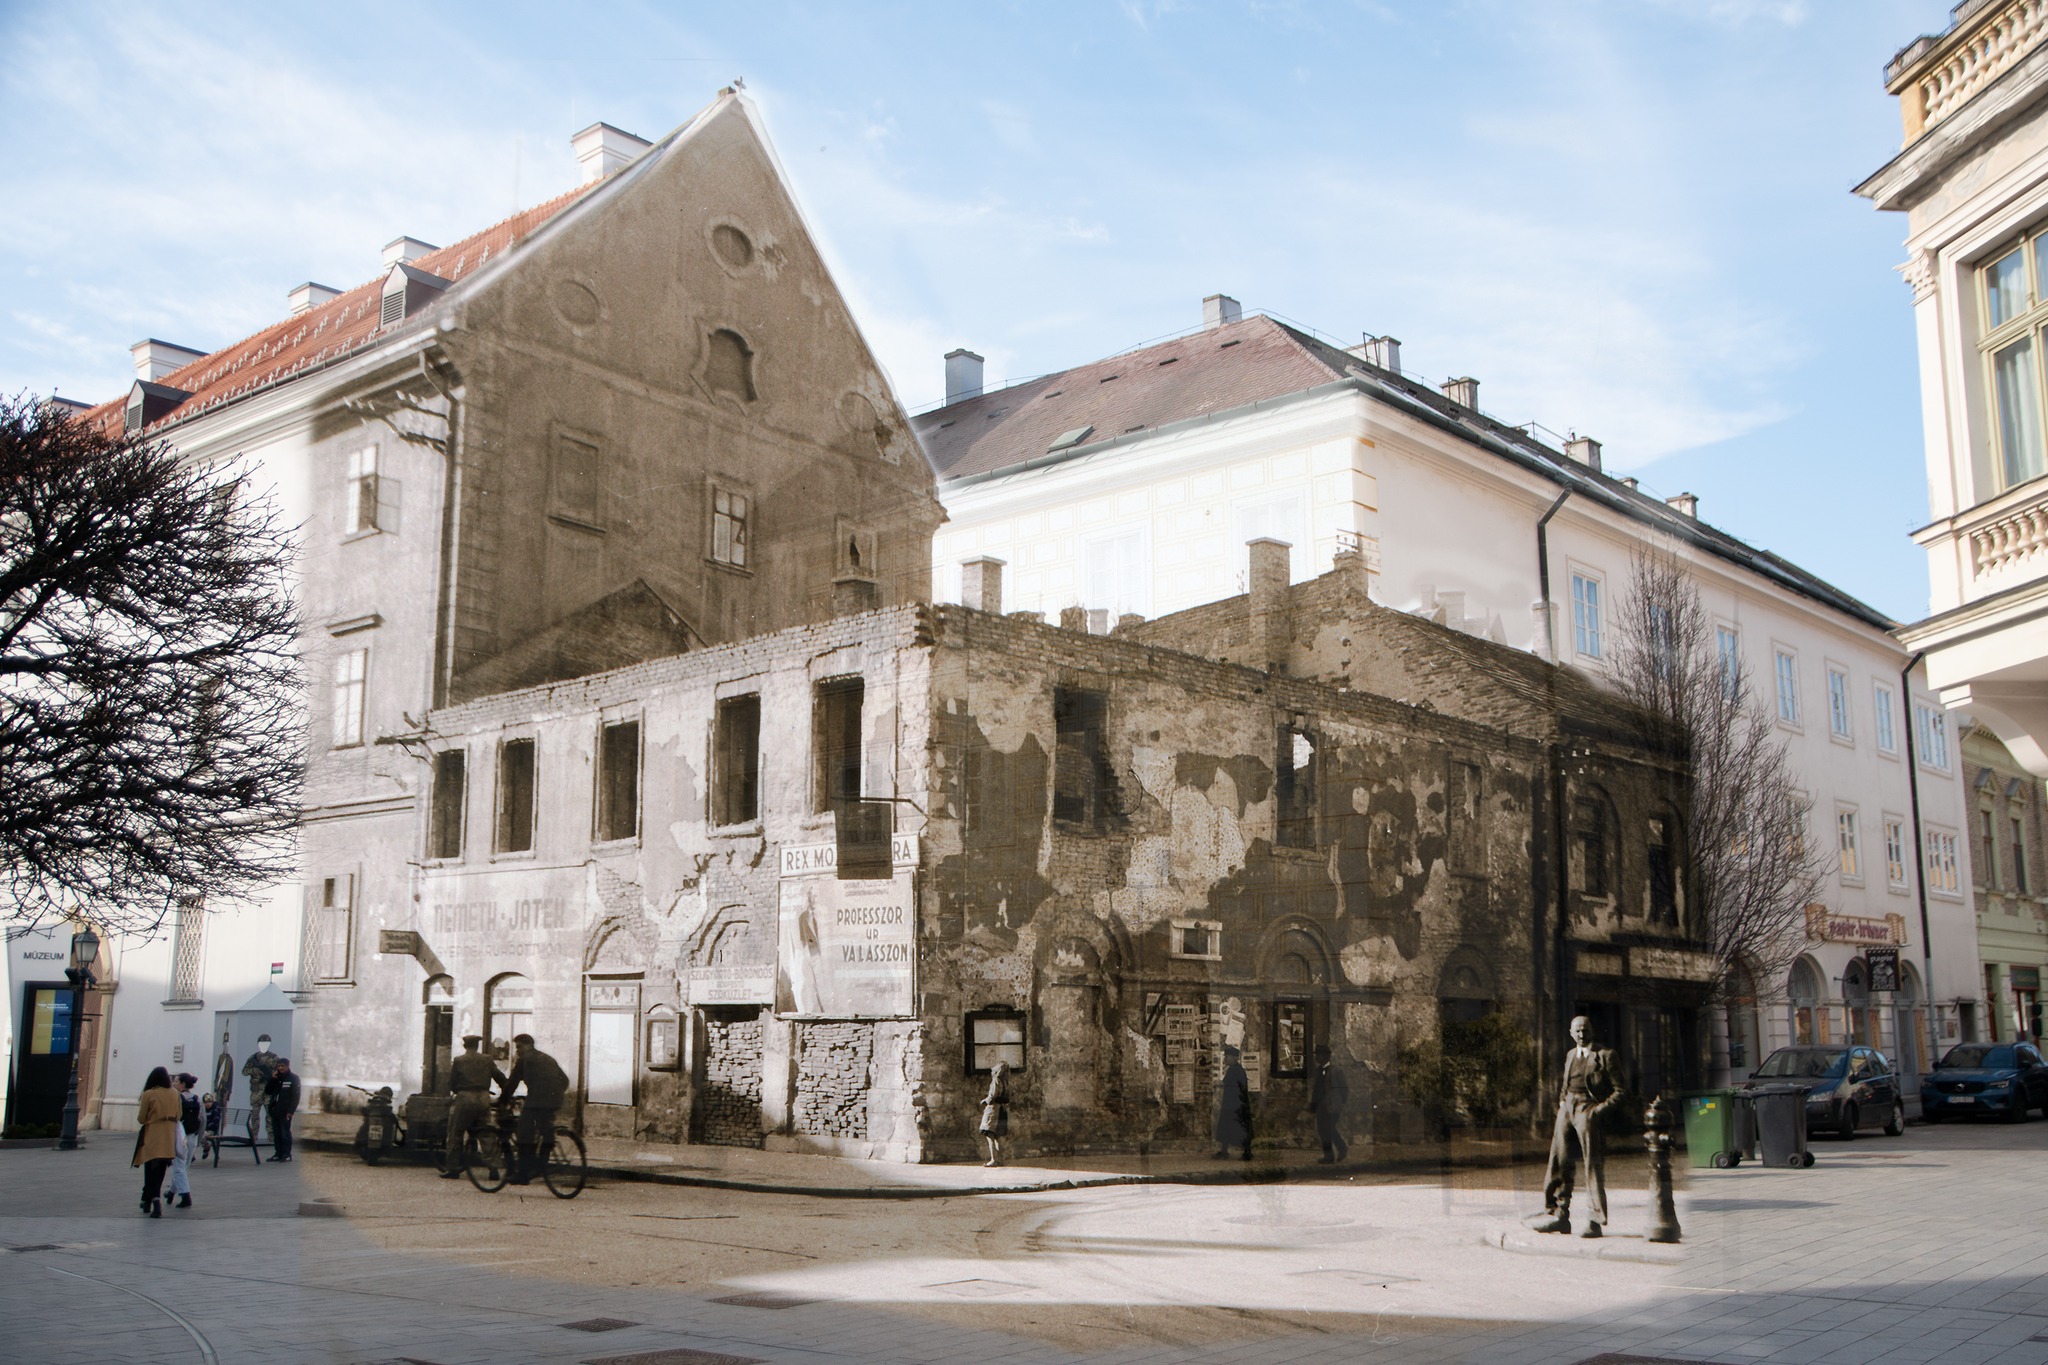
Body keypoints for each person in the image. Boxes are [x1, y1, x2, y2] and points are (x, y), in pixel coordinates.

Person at [1534, 1015, 1624, 1238]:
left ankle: (1594, 1222)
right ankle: (1560, 1216)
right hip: (1567, 1109)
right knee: (1560, 1161)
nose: (1582, 1034)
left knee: (1592, 1165)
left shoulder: (1605, 1056)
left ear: (1592, 1031)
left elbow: (1620, 1091)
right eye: (1578, 1031)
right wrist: (1562, 1103)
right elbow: (1565, 1085)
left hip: (1588, 1110)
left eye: (1585, 1030)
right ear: (1571, 1033)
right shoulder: (1570, 1055)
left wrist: (1597, 1112)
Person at [504, 1034, 569, 1185]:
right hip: (555, 1100)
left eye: (519, 1047)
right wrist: (555, 1094)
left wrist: (502, 1101)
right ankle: (542, 1162)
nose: (518, 1050)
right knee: (545, 1129)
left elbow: (512, 1083)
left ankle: (523, 1174)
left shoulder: (524, 1060)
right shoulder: (547, 1058)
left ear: (528, 1045)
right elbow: (565, 1080)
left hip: (537, 1100)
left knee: (523, 1132)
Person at [441, 1034, 508, 1178]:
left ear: (465, 1046)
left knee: (456, 1132)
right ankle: (494, 1168)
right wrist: (505, 1093)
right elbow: (500, 1078)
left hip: (465, 1097)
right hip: (483, 1097)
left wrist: (458, 1091)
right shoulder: (487, 1059)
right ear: (477, 1046)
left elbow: (452, 1083)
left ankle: (453, 1168)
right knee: (486, 1133)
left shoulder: (459, 1060)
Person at [133, 1067, 181, 1218]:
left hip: (153, 1135)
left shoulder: (149, 1094)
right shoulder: (175, 1093)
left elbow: (141, 1118)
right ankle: (147, 1200)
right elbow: (179, 1115)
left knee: (150, 1171)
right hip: (169, 1135)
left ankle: (155, 1203)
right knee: (160, 1171)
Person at [1306, 1044, 1350, 1163]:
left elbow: (1344, 1089)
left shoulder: (1336, 1071)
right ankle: (1330, 1154)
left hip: (1333, 1106)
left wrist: (1339, 1103)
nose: (1317, 1058)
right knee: (1322, 1130)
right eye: (1316, 1055)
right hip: (1321, 1106)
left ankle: (1339, 1148)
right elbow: (1316, 1090)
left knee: (1329, 1128)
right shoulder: (1317, 1071)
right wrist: (1313, 1105)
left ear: (1327, 1056)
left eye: (1320, 1055)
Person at [165, 1073, 201, 1208]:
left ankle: (185, 1196)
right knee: (183, 1167)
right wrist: (199, 1139)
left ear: (183, 1084)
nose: (173, 1084)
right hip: (192, 1137)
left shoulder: (176, 1098)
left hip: (180, 1136)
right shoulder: (197, 1099)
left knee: (179, 1167)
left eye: (176, 1081)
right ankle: (171, 1192)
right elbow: (202, 1119)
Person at [1213, 1044, 1253, 1161]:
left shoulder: (1235, 1070)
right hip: (1235, 1103)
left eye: (1228, 1056)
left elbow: (1233, 1085)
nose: (1225, 1058)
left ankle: (1244, 1152)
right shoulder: (1236, 1069)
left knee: (1234, 1127)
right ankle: (1226, 1151)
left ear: (1235, 1058)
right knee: (1232, 1127)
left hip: (1235, 1104)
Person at [241, 1034, 279, 1145]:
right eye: (262, 1043)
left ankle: (271, 1136)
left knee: (270, 1116)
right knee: (254, 1116)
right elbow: (244, 1071)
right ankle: (254, 1136)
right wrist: (254, 1071)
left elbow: (279, 1072)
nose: (264, 1046)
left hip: (268, 1091)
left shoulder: (274, 1058)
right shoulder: (253, 1058)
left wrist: (271, 1075)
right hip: (256, 1091)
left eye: (266, 1044)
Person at [265, 1057, 299, 1162]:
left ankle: (286, 1154)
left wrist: (291, 1111)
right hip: (275, 1110)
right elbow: (268, 1091)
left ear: (288, 1066)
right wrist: (273, 1079)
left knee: (285, 1133)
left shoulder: (293, 1078)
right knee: (277, 1133)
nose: (280, 1068)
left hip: (285, 1111)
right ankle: (278, 1153)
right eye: (279, 1066)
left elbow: (296, 1096)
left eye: (282, 1066)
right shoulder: (277, 1078)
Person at [978, 1061, 1011, 1167]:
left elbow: (992, 1096)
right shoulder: (1006, 1082)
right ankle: (1000, 1159)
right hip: (1002, 1110)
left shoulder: (996, 1080)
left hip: (994, 1110)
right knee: (998, 1136)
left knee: (990, 1134)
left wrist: (985, 1101)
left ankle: (993, 1159)